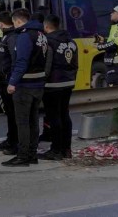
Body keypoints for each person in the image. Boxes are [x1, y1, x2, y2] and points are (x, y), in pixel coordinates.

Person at [2, 8, 47, 167]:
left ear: (18, 21)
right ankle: (32, 154)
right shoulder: (41, 35)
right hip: (38, 84)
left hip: (24, 85)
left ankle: (23, 156)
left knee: (22, 122)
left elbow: (21, 62)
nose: (14, 26)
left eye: (14, 23)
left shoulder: (24, 36)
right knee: (33, 121)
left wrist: (12, 82)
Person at [38, 14, 78, 161]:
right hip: (68, 82)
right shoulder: (71, 41)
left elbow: (46, 64)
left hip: (52, 84)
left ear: (46, 26)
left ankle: (56, 150)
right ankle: (66, 149)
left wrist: (43, 79)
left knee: (54, 117)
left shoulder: (48, 41)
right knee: (65, 115)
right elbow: (75, 63)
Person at [0, 13, 19, 154]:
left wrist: (11, 79)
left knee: (13, 114)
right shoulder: (7, 36)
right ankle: (11, 139)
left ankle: (15, 143)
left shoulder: (11, 37)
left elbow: (14, 60)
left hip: (8, 80)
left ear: (1, 23)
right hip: (3, 79)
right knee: (9, 113)